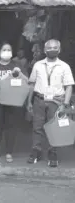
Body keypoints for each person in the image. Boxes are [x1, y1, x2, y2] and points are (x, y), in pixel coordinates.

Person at [26, 39, 74, 167]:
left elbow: (69, 86)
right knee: (37, 127)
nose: (52, 50)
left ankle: (53, 152)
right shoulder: (37, 65)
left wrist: (65, 104)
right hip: (39, 100)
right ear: (44, 50)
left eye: (55, 47)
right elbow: (31, 84)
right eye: (49, 48)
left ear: (59, 50)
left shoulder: (64, 66)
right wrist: (29, 102)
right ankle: (36, 151)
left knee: (54, 128)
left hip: (56, 101)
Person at [0, 42, 28, 163]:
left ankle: (9, 152)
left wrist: (20, 73)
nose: (7, 52)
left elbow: (27, 81)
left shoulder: (16, 66)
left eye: (9, 50)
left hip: (13, 101)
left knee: (11, 126)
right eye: (4, 49)